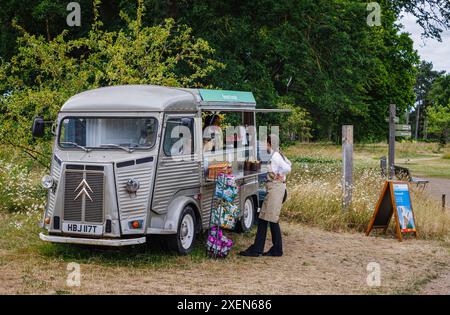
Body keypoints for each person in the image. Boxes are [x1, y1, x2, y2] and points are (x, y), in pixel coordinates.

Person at [239, 134, 291, 257]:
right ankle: (276, 249)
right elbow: (290, 164)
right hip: (276, 188)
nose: (263, 145)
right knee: (271, 219)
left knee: (264, 218)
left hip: (275, 189)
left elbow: (287, 168)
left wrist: (281, 174)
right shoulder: (278, 154)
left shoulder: (276, 156)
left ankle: (257, 249)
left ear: (269, 144)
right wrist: (281, 173)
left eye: (265, 143)